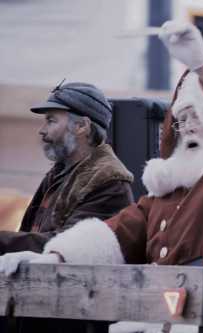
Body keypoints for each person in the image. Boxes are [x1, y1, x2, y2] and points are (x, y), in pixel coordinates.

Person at [0, 21, 203, 332]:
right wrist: (53, 258)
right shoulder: (163, 196)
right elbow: (113, 234)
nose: (189, 126)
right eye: (182, 119)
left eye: (199, 115)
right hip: (164, 318)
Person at [0, 82, 134, 332]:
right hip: (42, 311)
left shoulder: (109, 181)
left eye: (51, 120)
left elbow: (67, 246)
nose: (42, 130)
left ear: (81, 126)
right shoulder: (61, 172)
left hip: (72, 320)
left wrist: (3, 242)